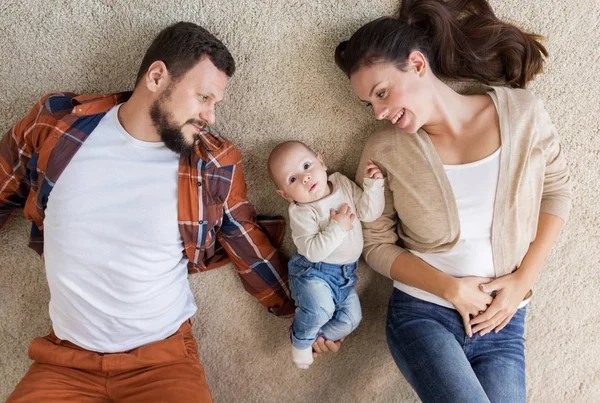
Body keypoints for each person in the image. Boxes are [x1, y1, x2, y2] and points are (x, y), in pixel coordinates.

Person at [1, 21, 295, 403]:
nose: (211, 116)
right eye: (203, 98)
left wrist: (306, 312)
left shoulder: (212, 163)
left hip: (161, 361)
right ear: (157, 76)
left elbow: (248, 244)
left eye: (214, 104)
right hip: (65, 360)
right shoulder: (56, 123)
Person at [334, 0, 572, 401]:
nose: (377, 112)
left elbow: (558, 189)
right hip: (423, 315)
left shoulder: (523, 114)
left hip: (502, 321)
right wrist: (450, 289)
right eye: (370, 104)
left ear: (417, 64)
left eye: (381, 93)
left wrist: (524, 279)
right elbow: (375, 244)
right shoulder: (384, 149)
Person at [268, 141, 385, 368]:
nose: (305, 178)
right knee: (322, 309)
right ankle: (301, 341)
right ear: (285, 195)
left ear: (321, 162)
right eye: (292, 179)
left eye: (306, 166)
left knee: (352, 319)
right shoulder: (301, 211)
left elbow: (368, 213)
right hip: (314, 273)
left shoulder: (341, 183)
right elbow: (313, 251)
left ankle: (312, 335)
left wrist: (374, 186)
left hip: (345, 276)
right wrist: (338, 227)